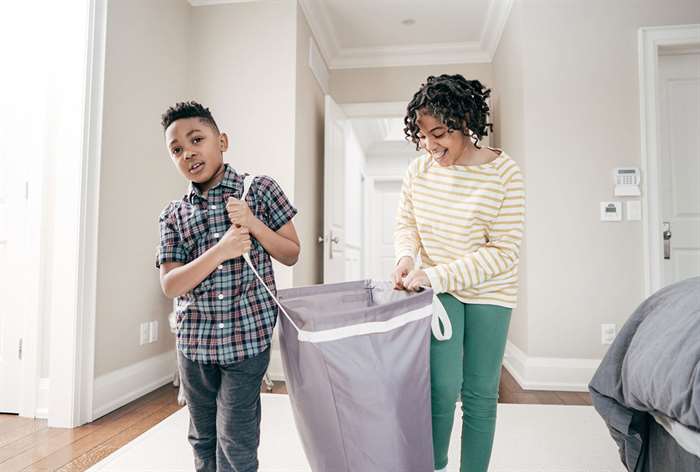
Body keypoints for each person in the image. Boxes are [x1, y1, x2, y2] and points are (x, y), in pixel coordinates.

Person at [156, 101, 300, 472]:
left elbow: (291, 253)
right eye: (176, 149)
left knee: (236, 439)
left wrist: (253, 223)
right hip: (194, 345)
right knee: (203, 439)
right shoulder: (174, 215)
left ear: (221, 141)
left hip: (246, 341)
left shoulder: (261, 189)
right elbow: (171, 285)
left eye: (196, 139)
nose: (188, 152)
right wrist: (220, 252)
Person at [392, 75, 525, 472]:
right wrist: (405, 257)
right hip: (440, 288)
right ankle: (434, 464)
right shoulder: (419, 171)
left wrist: (434, 276)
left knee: (481, 392)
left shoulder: (506, 174)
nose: (430, 146)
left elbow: (503, 252)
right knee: (441, 387)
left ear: (466, 121)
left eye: (440, 134)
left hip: (490, 291)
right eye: (423, 136)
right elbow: (407, 223)